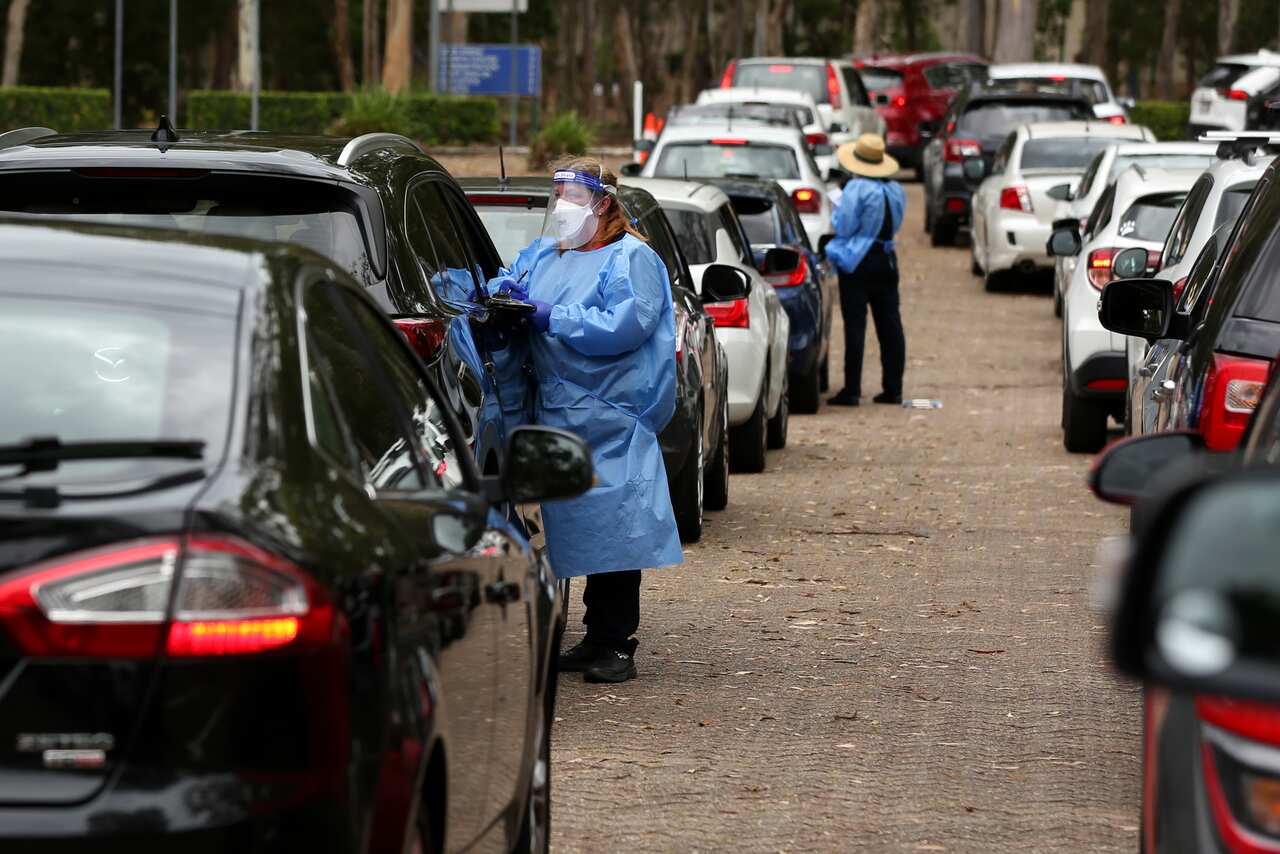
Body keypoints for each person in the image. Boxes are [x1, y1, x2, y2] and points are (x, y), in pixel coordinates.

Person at [488, 158, 683, 684]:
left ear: (603, 202)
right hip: (561, 413)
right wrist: (504, 298)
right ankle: (595, 637)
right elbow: (512, 282)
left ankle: (616, 643)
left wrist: (553, 317)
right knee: (577, 530)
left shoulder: (632, 259)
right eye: (559, 194)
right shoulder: (549, 255)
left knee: (615, 530)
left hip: (612, 415)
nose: (563, 206)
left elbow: (626, 325)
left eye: (574, 195)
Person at [825, 134, 907, 407]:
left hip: (858, 262)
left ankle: (852, 389)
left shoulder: (856, 189)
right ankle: (893, 388)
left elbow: (845, 226)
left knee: (855, 326)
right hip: (887, 259)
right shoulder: (895, 189)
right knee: (890, 325)